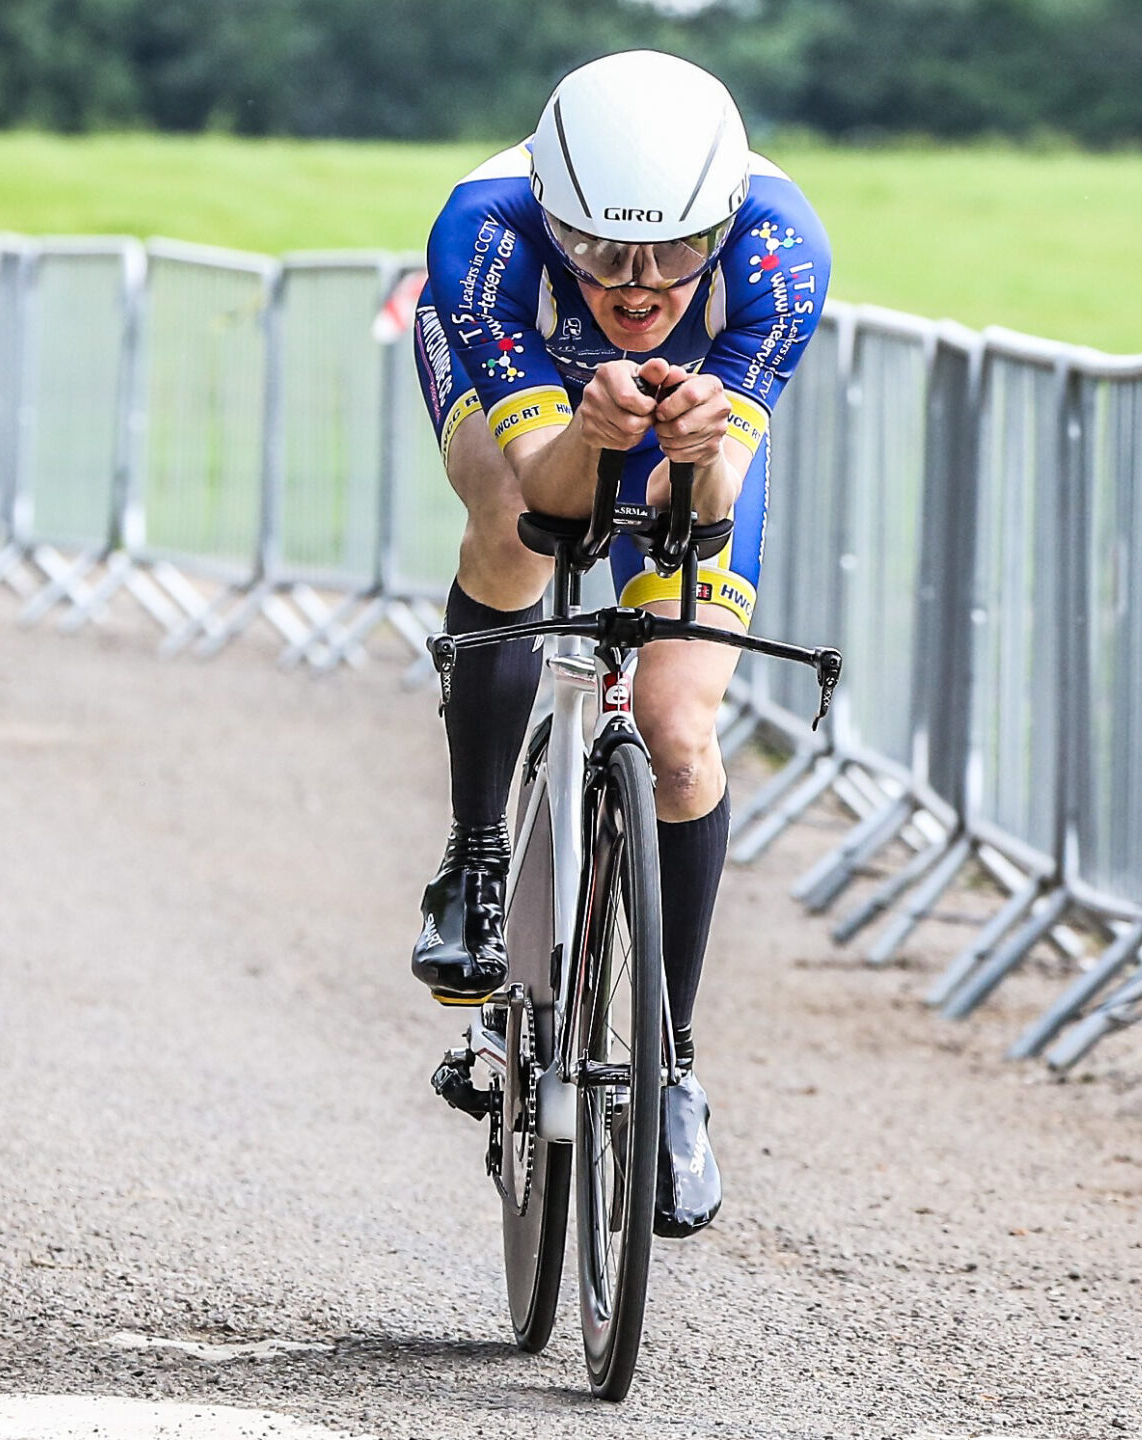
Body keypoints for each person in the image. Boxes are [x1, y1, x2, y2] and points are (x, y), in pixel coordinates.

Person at [406, 51, 829, 1236]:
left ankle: (672, 1068)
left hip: (686, 436)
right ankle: (476, 859)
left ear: (724, 225)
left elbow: (706, 515)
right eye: (597, 251)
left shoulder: (780, 254)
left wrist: (694, 451)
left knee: (678, 730)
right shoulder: (485, 238)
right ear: (552, 216)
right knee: (510, 523)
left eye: (677, 252)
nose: (638, 288)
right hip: (532, 404)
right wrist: (588, 436)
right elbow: (553, 505)